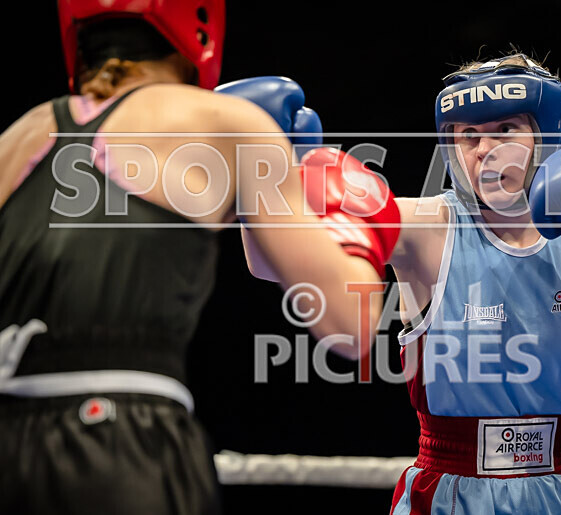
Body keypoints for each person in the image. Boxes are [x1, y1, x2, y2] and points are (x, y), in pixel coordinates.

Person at [0, 1, 397, 513]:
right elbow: (349, 323)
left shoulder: (16, 139)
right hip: (121, 446)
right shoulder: (228, 123)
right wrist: (352, 219)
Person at [385, 53, 561, 514]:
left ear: (544, 135)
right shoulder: (426, 227)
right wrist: (269, 167)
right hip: (454, 494)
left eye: (505, 129)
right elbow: (290, 247)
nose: (485, 149)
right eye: (469, 135)